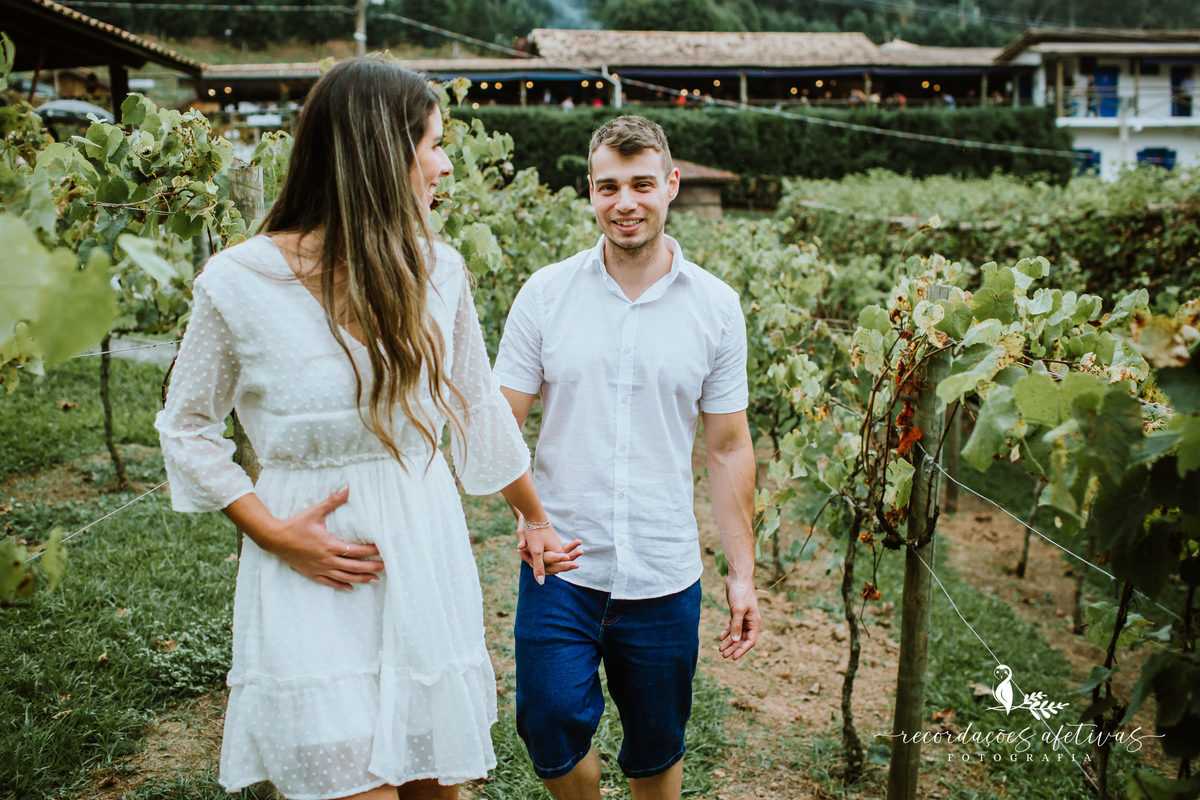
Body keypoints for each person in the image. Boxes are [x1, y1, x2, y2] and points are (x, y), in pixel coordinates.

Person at [155, 58, 581, 800]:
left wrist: (534, 518)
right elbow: (187, 426)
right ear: (383, 152)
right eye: (435, 145)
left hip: (421, 546)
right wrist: (271, 532)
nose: (446, 165)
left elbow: (476, 406)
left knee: (433, 787)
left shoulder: (437, 271)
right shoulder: (239, 281)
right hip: (311, 568)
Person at [494, 115, 761, 800]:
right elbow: (500, 424)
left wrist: (742, 575)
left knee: (656, 741)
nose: (625, 202)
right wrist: (528, 516)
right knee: (548, 724)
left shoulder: (716, 307)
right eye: (608, 186)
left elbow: (729, 446)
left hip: (663, 570)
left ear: (671, 185)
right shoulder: (545, 294)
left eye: (642, 184)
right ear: (591, 192)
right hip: (561, 565)